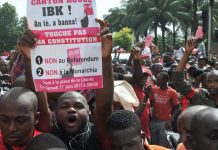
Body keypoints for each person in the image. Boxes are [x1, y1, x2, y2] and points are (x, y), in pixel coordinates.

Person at [17, 18, 113, 150]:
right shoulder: (48, 133)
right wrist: (30, 59)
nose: (72, 109)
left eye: (79, 106)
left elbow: (104, 109)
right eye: (64, 106)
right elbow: (41, 108)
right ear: (55, 113)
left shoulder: (99, 134)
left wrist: (105, 58)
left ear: (89, 111)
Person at [173, 38, 218, 108]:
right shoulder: (199, 96)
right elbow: (178, 82)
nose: (212, 84)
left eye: (216, 81)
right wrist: (187, 53)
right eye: (209, 81)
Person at [149, 72, 180, 145]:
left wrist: (170, 119)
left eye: (159, 79)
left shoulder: (172, 92)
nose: (156, 81)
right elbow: (150, 102)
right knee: (153, 143)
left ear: (165, 80)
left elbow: (178, 106)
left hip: (165, 122)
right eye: (157, 79)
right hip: (154, 120)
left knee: (162, 143)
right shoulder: (154, 89)